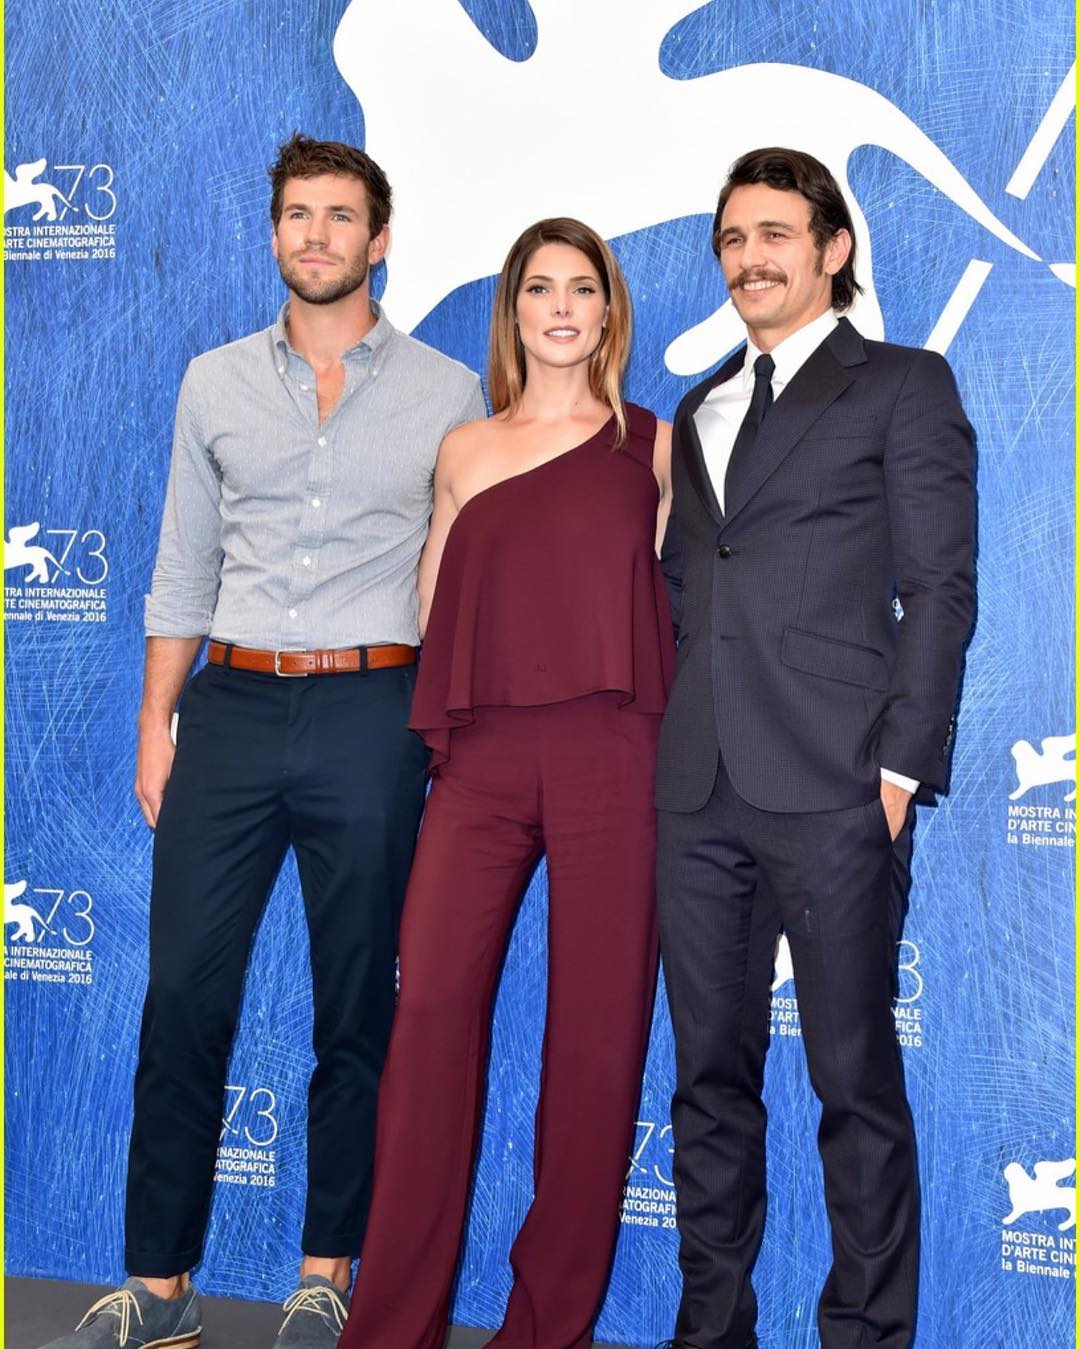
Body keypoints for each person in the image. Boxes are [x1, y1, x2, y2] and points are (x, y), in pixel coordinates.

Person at [40, 134, 484, 1349]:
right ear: (274, 232)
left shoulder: (449, 391)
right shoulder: (212, 381)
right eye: (299, 213)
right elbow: (183, 561)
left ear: (379, 238)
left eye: (343, 215)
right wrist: (154, 718)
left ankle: (327, 1269)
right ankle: (161, 1286)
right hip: (227, 711)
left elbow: (467, 579)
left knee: (355, 1004)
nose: (319, 234)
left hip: (371, 714)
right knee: (184, 992)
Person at [655, 147, 975, 1349]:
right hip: (697, 792)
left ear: (832, 250)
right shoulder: (699, 408)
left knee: (854, 1086)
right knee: (707, 1085)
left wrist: (899, 768)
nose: (750, 257)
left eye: (776, 234)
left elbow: (941, 588)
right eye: (734, 238)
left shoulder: (904, 384)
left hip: (839, 786)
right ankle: (712, 1330)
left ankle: (867, 1337)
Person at [338, 218, 675, 1349]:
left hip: (615, 754)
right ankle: (392, 1322)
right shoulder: (464, 450)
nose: (564, 307)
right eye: (541, 287)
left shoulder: (653, 445)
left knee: (595, 1038)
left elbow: (679, 603)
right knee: (427, 1009)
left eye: (585, 288)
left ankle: (547, 1327)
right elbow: (433, 613)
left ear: (610, 310)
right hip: (478, 759)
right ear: (514, 308)